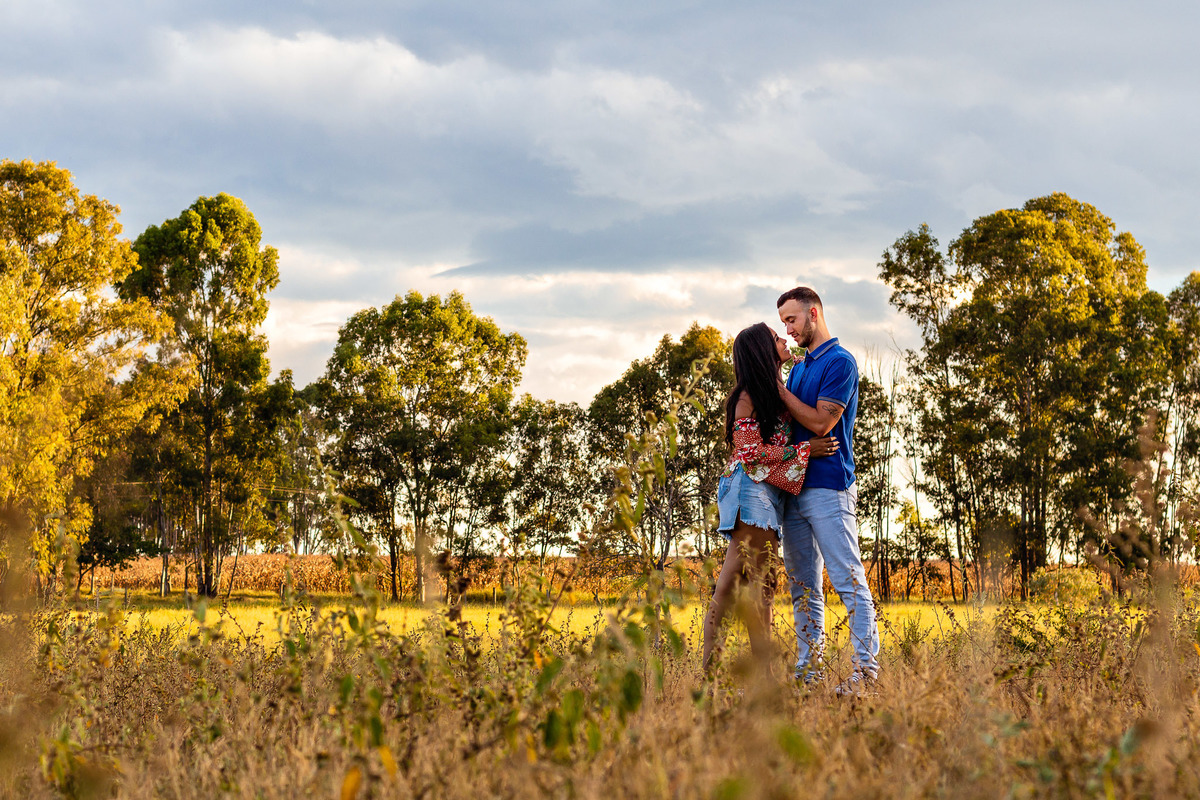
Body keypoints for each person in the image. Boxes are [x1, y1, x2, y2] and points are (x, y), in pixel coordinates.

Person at [702, 322, 838, 675]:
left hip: (763, 495)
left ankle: (745, 677)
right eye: (777, 338)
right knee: (739, 586)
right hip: (751, 493)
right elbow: (749, 452)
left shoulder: (773, 391)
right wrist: (805, 449)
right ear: (764, 351)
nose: (784, 339)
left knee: (752, 587)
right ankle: (719, 676)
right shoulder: (748, 396)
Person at [775, 286, 880, 695]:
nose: (788, 328)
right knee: (803, 587)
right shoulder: (799, 367)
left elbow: (822, 424)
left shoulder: (840, 362)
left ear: (813, 314)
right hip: (793, 489)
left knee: (848, 579)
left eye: (792, 319)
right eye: (784, 321)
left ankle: (865, 673)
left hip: (829, 487)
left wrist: (779, 390)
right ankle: (810, 671)